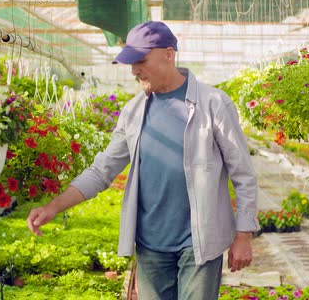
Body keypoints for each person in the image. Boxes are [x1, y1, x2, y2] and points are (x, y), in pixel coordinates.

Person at [27, 21, 259, 300]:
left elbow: (243, 173)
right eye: (130, 63)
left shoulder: (213, 103)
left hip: (200, 242)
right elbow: (102, 170)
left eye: (140, 61)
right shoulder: (133, 111)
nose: (134, 70)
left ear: (169, 54)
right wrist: (54, 206)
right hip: (150, 246)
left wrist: (244, 235)